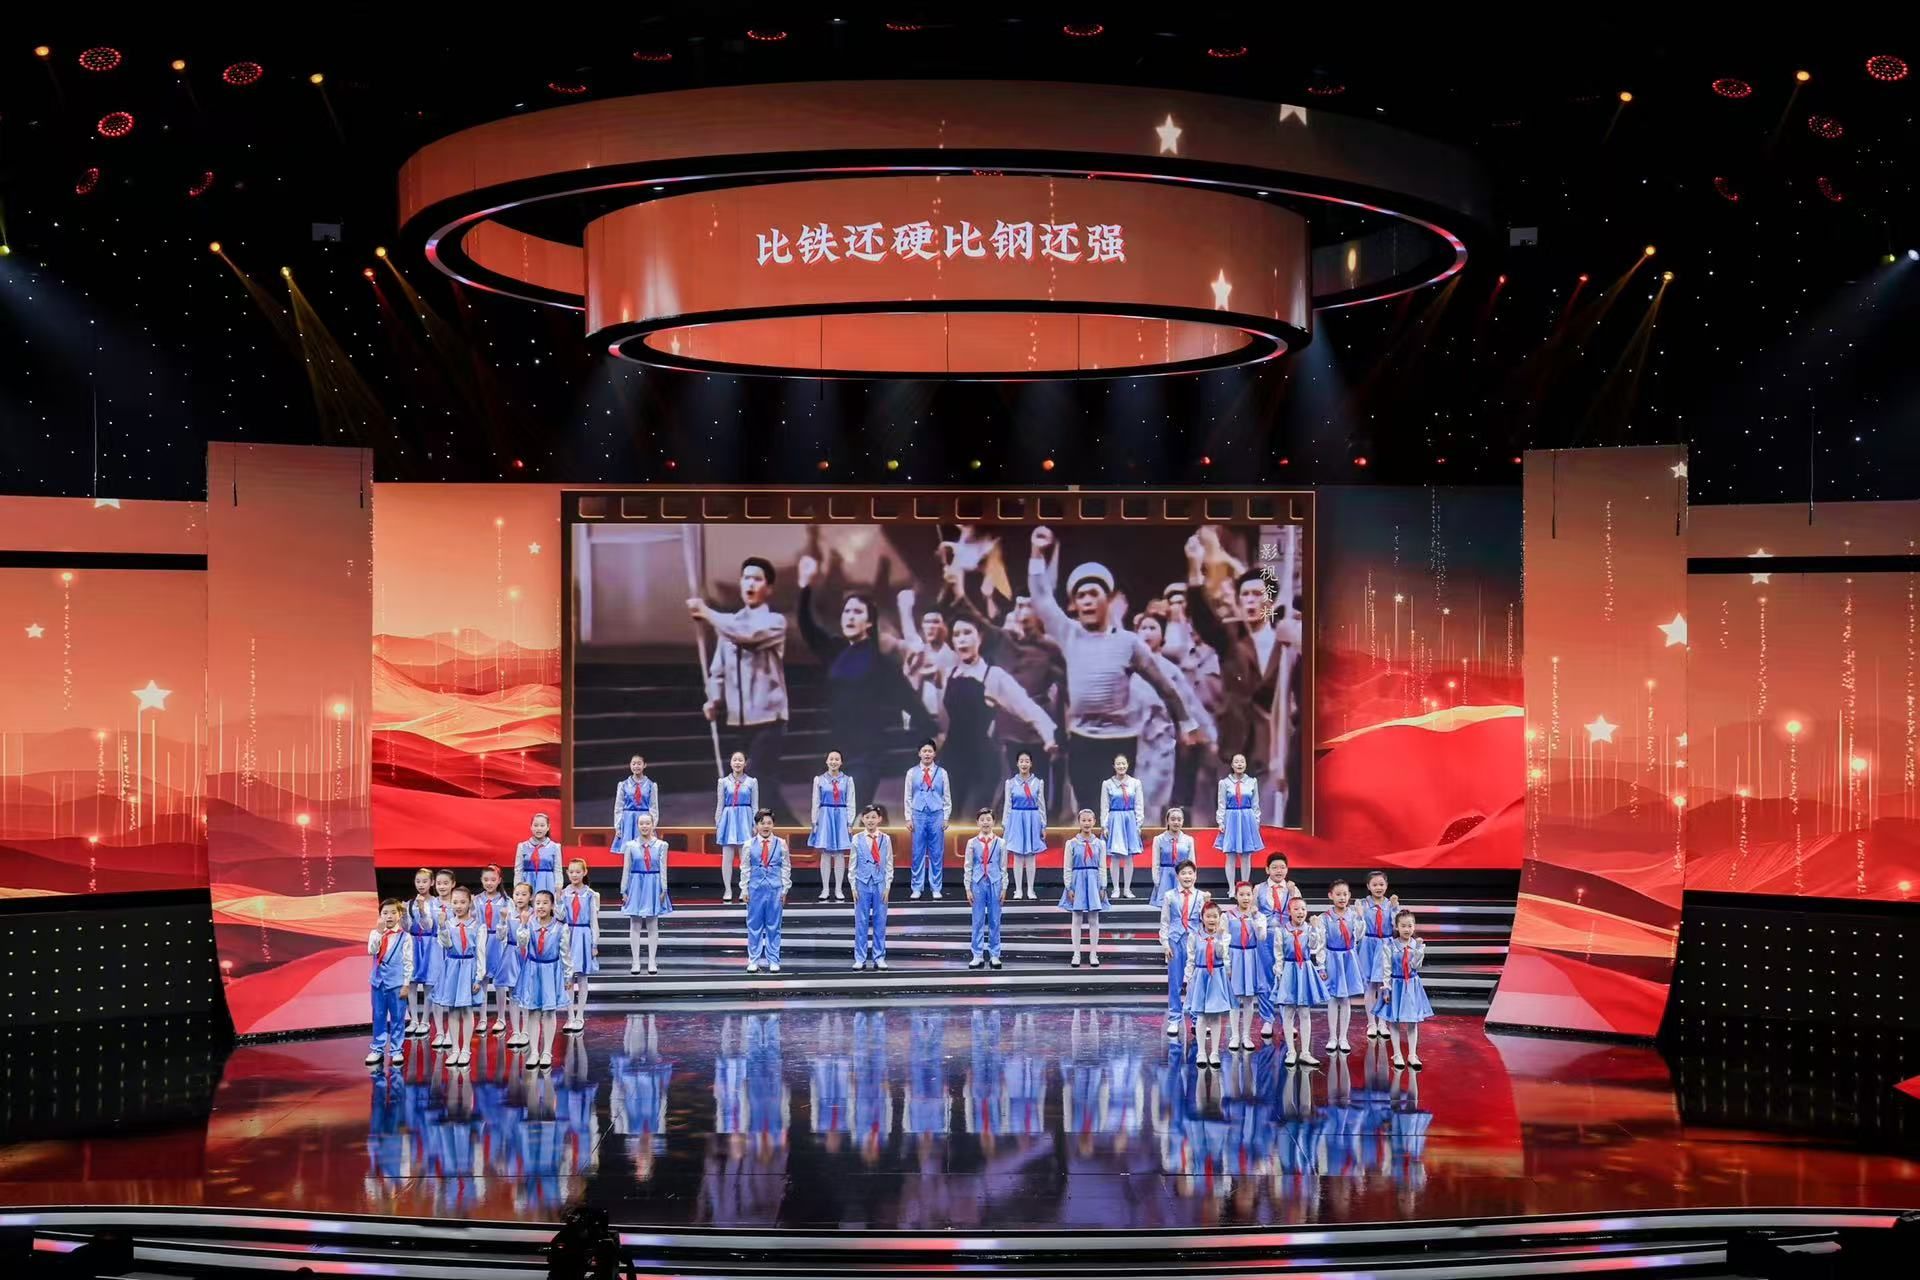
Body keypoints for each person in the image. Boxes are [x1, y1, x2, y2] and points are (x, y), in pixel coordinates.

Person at [1025, 526, 1198, 817]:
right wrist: (1036, 551)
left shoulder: (1129, 643)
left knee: (1118, 815)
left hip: (1120, 742)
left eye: (1093, 594)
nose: (1087, 600)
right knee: (1088, 815)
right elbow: (1041, 598)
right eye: (1080, 595)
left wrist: (1186, 723)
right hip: (1081, 741)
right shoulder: (1069, 633)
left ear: (1108, 600)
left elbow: (1164, 686)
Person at [793, 555, 932, 807]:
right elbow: (808, 627)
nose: (850, 616)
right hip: (837, 752)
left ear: (869, 622)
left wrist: (934, 734)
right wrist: (805, 586)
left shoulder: (881, 663)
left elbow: (910, 700)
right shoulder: (835, 650)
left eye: (857, 612)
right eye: (846, 611)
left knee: (849, 809)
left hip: (868, 754)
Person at [1183, 542, 1291, 814]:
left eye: (1257, 594)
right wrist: (1195, 568)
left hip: (1273, 752)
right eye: (1245, 595)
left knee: (1267, 824)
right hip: (1233, 748)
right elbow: (1203, 618)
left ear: (1270, 602)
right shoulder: (1231, 639)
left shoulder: (1286, 643)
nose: (1250, 600)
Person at [690, 556, 792, 824]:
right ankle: (793, 833)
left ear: (768, 588)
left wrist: (707, 612)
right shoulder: (729, 624)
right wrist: (714, 699)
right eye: (746, 578)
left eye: (757, 579)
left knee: (758, 782)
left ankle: (787, 835)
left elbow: (748, 635)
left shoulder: (774, 621)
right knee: (757, 785)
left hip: (769, 719)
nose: (750, 583)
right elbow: (718, 671)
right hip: (738, 721)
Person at [938, 614, 1059, 818]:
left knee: (972, 822)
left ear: (980, 637)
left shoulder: (993, 676)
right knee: (946, 821)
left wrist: (1049, 735)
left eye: (967, 633)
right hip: (950, 760)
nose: (962, 639)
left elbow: (1026, 706)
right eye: (957, 634)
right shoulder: (949, 673)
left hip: (981, 763)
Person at [1131, 612, 1216, 820]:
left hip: (1160, 742)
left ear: (1162, 636)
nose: (1147, 633)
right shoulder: (1128, 667)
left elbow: (1190, 703)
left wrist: (1210, 735)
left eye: (1153, 628)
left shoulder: (1170, 670)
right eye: (1143, 628)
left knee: (1154, 799)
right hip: (1131, 740)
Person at [1159, 582, 1224, 814]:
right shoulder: (1178, 653)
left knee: (1212, 793)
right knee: (1182, 795)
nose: (1194, 627)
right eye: (1190, 621)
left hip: (1216, 733)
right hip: (1185, 733)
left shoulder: (1222, 655)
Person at [516, 889, 572, 1071]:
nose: (540, 906)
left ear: (552, 906)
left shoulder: (560, 928)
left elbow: (565, 954)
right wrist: (523, 924)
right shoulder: (529, 924)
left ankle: (547, 1051)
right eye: (538, 903)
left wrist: (568, 975)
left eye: (545, 903)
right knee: (533, 1011)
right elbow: (522, 944)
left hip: (550, 971)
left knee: (549, 1012)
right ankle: (534, 1051)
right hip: (533, 970)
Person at [433, 886, 488, 1068]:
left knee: (466, 1010)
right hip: (452, 968)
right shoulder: (448, 924)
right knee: (453, 1010)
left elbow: (481, 953)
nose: (458, 906)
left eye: (462, 902)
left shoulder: (478, 926)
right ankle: (455, 1049)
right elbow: (446, 944)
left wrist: (478, 977)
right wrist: (442, 926)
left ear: (470, 903)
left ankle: (466, 1049)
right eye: (455, 902)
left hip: (469, 968)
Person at [1271, 895, 1328, 1067]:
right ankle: (1291, 1051)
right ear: (1289, 911)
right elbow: (1278, 954)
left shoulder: (1309, 929)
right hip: (1289, 970)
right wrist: (1279, 974)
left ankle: (1305, 1052)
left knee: (1304, 1012)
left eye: (1303, 909)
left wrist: (1315, 929)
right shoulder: (1282, 931)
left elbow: (1313, 946)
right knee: (1288, 1012)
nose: (1300, 912)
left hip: (1304, 970)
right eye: (1296, 909)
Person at [1253, 852, 1301, 1039]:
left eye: (1282, 867)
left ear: (1287, 869)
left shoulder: (1292, 889)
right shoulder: (1258, 888)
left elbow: (1299, 912)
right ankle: (1267, 1019)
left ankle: (1288, 1020)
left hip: (1287, 937)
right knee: (1265, 978)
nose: (1278, 871)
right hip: (1265, 938)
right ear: (1267, 869)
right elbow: (1252, 912)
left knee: (1287, 978)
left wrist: (1293, 893)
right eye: (1274, 867)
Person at [1156, 860, 1207, 1037]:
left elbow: (1206, 921)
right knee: (1175, 982)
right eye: (1183, 873)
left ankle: (1197, 1018)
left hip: (1194, 941)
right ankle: (1174, 1019)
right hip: (1175, 941)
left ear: (1195, 875)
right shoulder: (1169, 896)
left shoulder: (1201, 896)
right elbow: (1165, 921)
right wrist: (1165, 944)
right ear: (1177, 876)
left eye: (1190, 873)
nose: (1187, 876)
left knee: (1196, 981)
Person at [1378, 912, 1433, 1069]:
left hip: (1411, 986)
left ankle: (1412, 1054)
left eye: (1410, 926)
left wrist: (1418, 950)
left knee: (1412, 1021)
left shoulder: (1416, 945)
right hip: (1396, 984)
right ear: (1397, 927)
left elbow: (1416, 966)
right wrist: (1386, 988)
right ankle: (1397, 1054)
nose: (1407, 929)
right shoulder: (1390, 946)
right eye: (1403, 926)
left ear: (1414, 927)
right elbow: (1386, 969)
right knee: (1394, 1019)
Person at [1057, 807, 1110, 967]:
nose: (1087, 823)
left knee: (1094, 918)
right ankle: (1076, 953)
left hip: (1094, 881)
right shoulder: (1071, 843)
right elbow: (1067, 867)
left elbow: (1102, 867)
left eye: (1089, 820)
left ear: (1094, 822)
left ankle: (1094, 953)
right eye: (1084, 820)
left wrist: (1103, 886)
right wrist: (1069, 887)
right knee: (1077, 918)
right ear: (1079, 822)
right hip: (1078, 881)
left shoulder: (1100, 844)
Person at [621, 812, 672, 976]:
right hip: (636, 884)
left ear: (653, 824)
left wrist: (664, 888)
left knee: (652, 924)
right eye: (641, 823)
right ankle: (635, 961)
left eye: (647, 823)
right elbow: (626, 869)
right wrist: (624, 890)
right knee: (635, 923)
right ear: (637, 825)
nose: (644, 826)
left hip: (653, 884)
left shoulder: (661, 845)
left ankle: (652, 960)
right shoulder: (630, 845)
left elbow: (663, 868)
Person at [1184, 901, 1233, 1068]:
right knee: (1202, 1016)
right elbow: (1190, 959)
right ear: (1202, 918)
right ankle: (1201, 1052)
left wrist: (1218, 937)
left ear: (1220, 918)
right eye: (1208, 916)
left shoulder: (1224, 936)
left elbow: (1220, 954)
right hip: (1200, 976)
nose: (1212, 920)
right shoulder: (1194, 936)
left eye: (1215, 916)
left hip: (1217, 976)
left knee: (1216, 1016)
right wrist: (1188, 978)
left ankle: (1214, 1052)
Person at [1320, 879, 1367, 1054]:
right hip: (1332, 958)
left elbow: (1359, 936)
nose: (1342, 898)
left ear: (1349, 896)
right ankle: (1332, 1037)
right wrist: (1321, 966)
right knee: (1333, 998)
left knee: (1346, 998)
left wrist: (1361, 917)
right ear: (1330, 896)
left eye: (1345, 894)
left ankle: (1343, 1037)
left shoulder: (1353, 915)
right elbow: (1321, 943)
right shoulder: (1325, 918)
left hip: (1348, 958)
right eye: (1338, 894)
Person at [742, 809, 791, 973]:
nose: (766, 826)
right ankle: (753, 960)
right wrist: (744, 889)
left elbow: (786, 867)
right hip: (755, 889)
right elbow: (745, 868)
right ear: (756, 825)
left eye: (769, 823)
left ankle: (773, 960)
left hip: (775, 889)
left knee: (773, 926)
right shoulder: (748, 844)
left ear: (773, 825)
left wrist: (784, 889)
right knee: (754, 925)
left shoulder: (781, 843)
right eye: (762, 823)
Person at [1222, 882, 1269, 1053]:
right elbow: (1224, 940)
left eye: (1248, 894)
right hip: (1234, 956)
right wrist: (1227, 964)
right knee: (1234, 998)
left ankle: (1246, 1036)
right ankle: (1235, 1035)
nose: (1245, 898)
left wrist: (1256, 918)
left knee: (1249, 998)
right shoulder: (1227, 916)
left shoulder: (1259, 916)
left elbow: (1262, 937)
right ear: (1236, 896)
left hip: (1250, 957)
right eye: (1241, 894)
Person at [367, 899, 414, 1067]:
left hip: (397, 984)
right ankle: (377, 1048)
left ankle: (396, 1050)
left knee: (397, 1017)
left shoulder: (405, 937)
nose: (389, 916)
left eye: (393, 912)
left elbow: (408, 962)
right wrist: (379, 933)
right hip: (378, 982)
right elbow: (372, 950)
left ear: (399, 915)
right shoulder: (375, 933)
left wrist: (406, 984)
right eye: (385, 913)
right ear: (380, 915)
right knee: (378, 1016)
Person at [903, 740, 952, 900]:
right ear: (919, 753)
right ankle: (916, 887)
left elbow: (947, 796)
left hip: (936, 814)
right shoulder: (912, 772)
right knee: (917, 852)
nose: (927, 754)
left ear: (934, 754)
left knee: (936, 853)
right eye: (924, 751)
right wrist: (908, 818)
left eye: (930, 751)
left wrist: (946, 817)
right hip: (918, 814)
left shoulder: (942, 773)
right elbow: (907, 796)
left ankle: (936, 887)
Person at [556, 858, 600, 1033]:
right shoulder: (564, 893)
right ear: (567, 873)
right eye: (571, 872)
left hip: (583, 936)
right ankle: (570, 1016)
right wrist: (558, 899)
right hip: (568, 935)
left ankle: (580, 1015)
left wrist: (594, 943)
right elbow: (559, 917)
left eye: (578, 871)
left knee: (582, 977)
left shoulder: (590, 894)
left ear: (584, 872)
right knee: (568, 977)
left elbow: (594, 920)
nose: (574, 875)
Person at [1358, 870, 1403, 1039]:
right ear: (1368, 886)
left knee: (1384, 985)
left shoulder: (1390, 904)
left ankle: (1382, 1022)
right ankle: (1371, 1023)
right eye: (1375, 884)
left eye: (1381, 884)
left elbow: (1396, 926)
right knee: (1370, 985)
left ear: (1387, 885)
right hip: (1368, 945)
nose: (1378, 887)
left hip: (1385, 945)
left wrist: (1395, 908)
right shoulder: (1363, 904)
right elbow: (1358, 926)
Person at [849, 804, 894, 971]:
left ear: (879, 819)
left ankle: (879, 957)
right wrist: (853, 887)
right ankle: (860, 958)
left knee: (880, 922)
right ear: (862, 819)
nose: (870, 820)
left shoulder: (885, 839)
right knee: (861, 922)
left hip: (880, 883)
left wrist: (887, 886)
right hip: (862, 883)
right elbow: (852, 865)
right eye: (867, 817)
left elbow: (889, 864)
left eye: (873, 817)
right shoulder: (857, 839)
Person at [999, 750, 1048, 901]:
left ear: (1031, 763)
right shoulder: (1010, 783)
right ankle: (1018, 890)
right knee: (1018, 856)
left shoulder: (1038, 782)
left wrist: (1043, 825)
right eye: (1021, 761)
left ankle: (1031, 889)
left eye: (1027, 761)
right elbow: (1007, 804)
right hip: (1016, 819)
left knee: (1031, 856)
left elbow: (1041, 805)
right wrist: (1005, 824)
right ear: (1017, 763)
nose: (1024, 764)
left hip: (1032, 818)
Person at [963, 807, 1008, 970]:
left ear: (993, 822)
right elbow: (968, 866)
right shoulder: (972, 843)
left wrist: (1004, 887)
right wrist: (968, 888)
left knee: (995, 919)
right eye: (982, 820)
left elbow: (1003, 867)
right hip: (978, 882)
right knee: (978, 919)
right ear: (977, 822)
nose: (985, 822)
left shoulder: (1001, 843)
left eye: (988, 819)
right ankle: (977, 954)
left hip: (995, 882)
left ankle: (995, 954)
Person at [899, 599, 958, 721]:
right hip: (918, 719)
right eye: (927, 622)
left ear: (945, 626)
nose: (930, 626)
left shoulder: (954, 658)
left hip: (947, 719)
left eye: (935, 622)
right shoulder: (917, 654)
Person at [808, 751, 856, 903]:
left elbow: (851, 802)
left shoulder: (847, 780)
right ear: (827, 761)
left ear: (841, 762)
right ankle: (825, 889)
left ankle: (839, 889)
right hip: (825, 816)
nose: (834, 762)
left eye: (837, 759)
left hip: (841, 816)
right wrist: (815, 822)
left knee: (840, 854)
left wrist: (850, 822)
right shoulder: (819, 780)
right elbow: (816, 801)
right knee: (826, 853)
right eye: (831, 759)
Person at [403, 867, 444, 1038]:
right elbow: (406, 927)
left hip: (431, 944)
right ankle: (414, 1019)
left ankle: (425, 1020)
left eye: (425, 881)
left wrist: (421, 910)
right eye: (418, 881)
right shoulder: (409, 903)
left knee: (429, 983)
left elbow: (428, 926)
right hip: (413, 944)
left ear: (432, 882)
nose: (421, 885)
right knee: (412, 982)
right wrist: (403, 915)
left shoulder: (436, 903)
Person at [474, 864, 514, 1036]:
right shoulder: (476, 900)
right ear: (481, 880)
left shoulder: (506, 901)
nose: (489, 883)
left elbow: (511, 924)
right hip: (482, 941)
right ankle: (482, 1018)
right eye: (486, 880)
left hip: (499, 941)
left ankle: (501, 1018)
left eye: (493, 879)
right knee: (481, 979)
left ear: (499, 880)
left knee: (500, 982)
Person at [1215, 754, 1263, 895]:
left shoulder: (1252, 782)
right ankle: (1231, 888)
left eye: (1242, 761)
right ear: (1232, 765)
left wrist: (1256, 822)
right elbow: (1221, 803)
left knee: (1246, 855)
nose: (1239, 764)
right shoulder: (1224, 783)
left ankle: (1244, 887)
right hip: (1231, 817)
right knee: (1230, 855)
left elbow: (1255, 804)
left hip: (1247, 818)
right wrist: (1220, 821)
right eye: (1236, 762)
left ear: (1246, 764)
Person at [714, 751, 758, 903]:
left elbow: (755, 805)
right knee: (727, 858)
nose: (737, 763)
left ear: (745, 763)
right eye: (735, 760)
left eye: (740, 760)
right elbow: (720, 804)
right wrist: (718, 823)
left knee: (745, 858)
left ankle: (744, 889)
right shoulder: (723, 782)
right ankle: (727, 889)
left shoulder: (752, 782)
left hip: (745, 819)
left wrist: (755, 824)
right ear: (731, 763)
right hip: (728, 820)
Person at [1100, 755, 1144, 900]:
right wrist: (1105, 825)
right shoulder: (1107, 784)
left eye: (1123, 764)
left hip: (1130, 819)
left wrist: (1138, 824)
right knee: (1115, 857)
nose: (1121, 766)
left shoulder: (1135, 783)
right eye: (1118, 764)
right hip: (1115, 819)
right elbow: (1105, 806)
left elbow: (1139, 804)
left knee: (1129, 857)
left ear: (1127, 765)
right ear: (1114, 766)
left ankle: (1127, 889)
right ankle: (1115, 889)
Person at [497, 882, 530, 1048]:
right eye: (517, 894)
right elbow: (500, 936)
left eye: (524, 894)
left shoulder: (533, 914)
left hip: (528, 955)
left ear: (530, 897)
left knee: (527, 993)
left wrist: (525, 923)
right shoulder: (508, 913)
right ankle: (515, 1031)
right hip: (511, 954)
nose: (520, 898)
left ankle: (526, 1031)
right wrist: (503, 921)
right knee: (513, 993)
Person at [1149, 807, 1196, 907]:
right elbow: (1155, 862)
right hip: (1165, 877)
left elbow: (1192, 862)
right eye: (1173, 819)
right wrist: (1156, 881)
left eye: (1179, 819)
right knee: (1165, 907)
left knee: (1182, 906)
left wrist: (1192, 879)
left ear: (1183, 821)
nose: (1176, 822)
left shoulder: (1188, 840)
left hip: (1182, 877)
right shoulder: (1159, 839)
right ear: (1167, 821)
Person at [513, 813, 562, 899]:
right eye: (535, 825)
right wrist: (517, 888)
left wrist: (558, 888)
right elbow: (518, 870)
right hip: (527, 882)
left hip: (547, 882)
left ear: (548, 827)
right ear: (531, 827)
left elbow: (557, 869)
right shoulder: (522, 846)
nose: (539, 828)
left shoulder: (555, 847)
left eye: (542, 825)